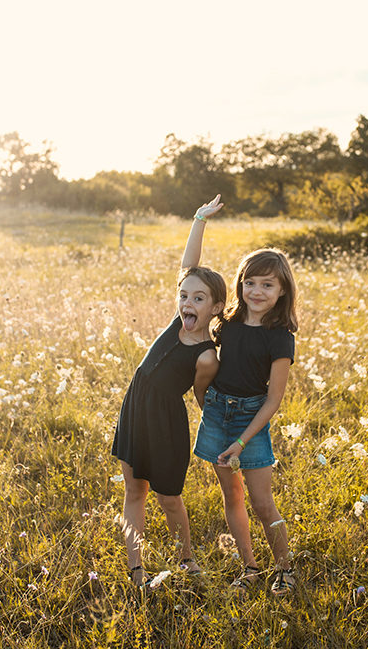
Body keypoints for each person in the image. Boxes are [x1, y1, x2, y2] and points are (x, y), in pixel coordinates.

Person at [110, 195, 226, 587]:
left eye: (198, 299)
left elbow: (201, 398)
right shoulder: (176, 318)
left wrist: (222, 435)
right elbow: (188, 267)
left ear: (215, 308)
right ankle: (136, 569)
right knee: (134, 492)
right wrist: (198, 220)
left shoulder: (207, 356)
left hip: (166, 422)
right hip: (136, 409)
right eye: (184, 296)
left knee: (169, 498)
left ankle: (187, 559)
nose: (187, 302)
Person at [189, 201, 299, 596]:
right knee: (231, 496)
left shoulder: (280, 336)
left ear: (282, 290)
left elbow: (273, 400)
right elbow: (190, 274)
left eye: (267, 285)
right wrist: (199, 221)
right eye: (250, 282)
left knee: (261, 501)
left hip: (251, 421)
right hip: (219, 412)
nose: (257, 291)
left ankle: (285, 569)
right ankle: (249, 568)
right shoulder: (228, 321)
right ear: (240, 284)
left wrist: (241, 440)